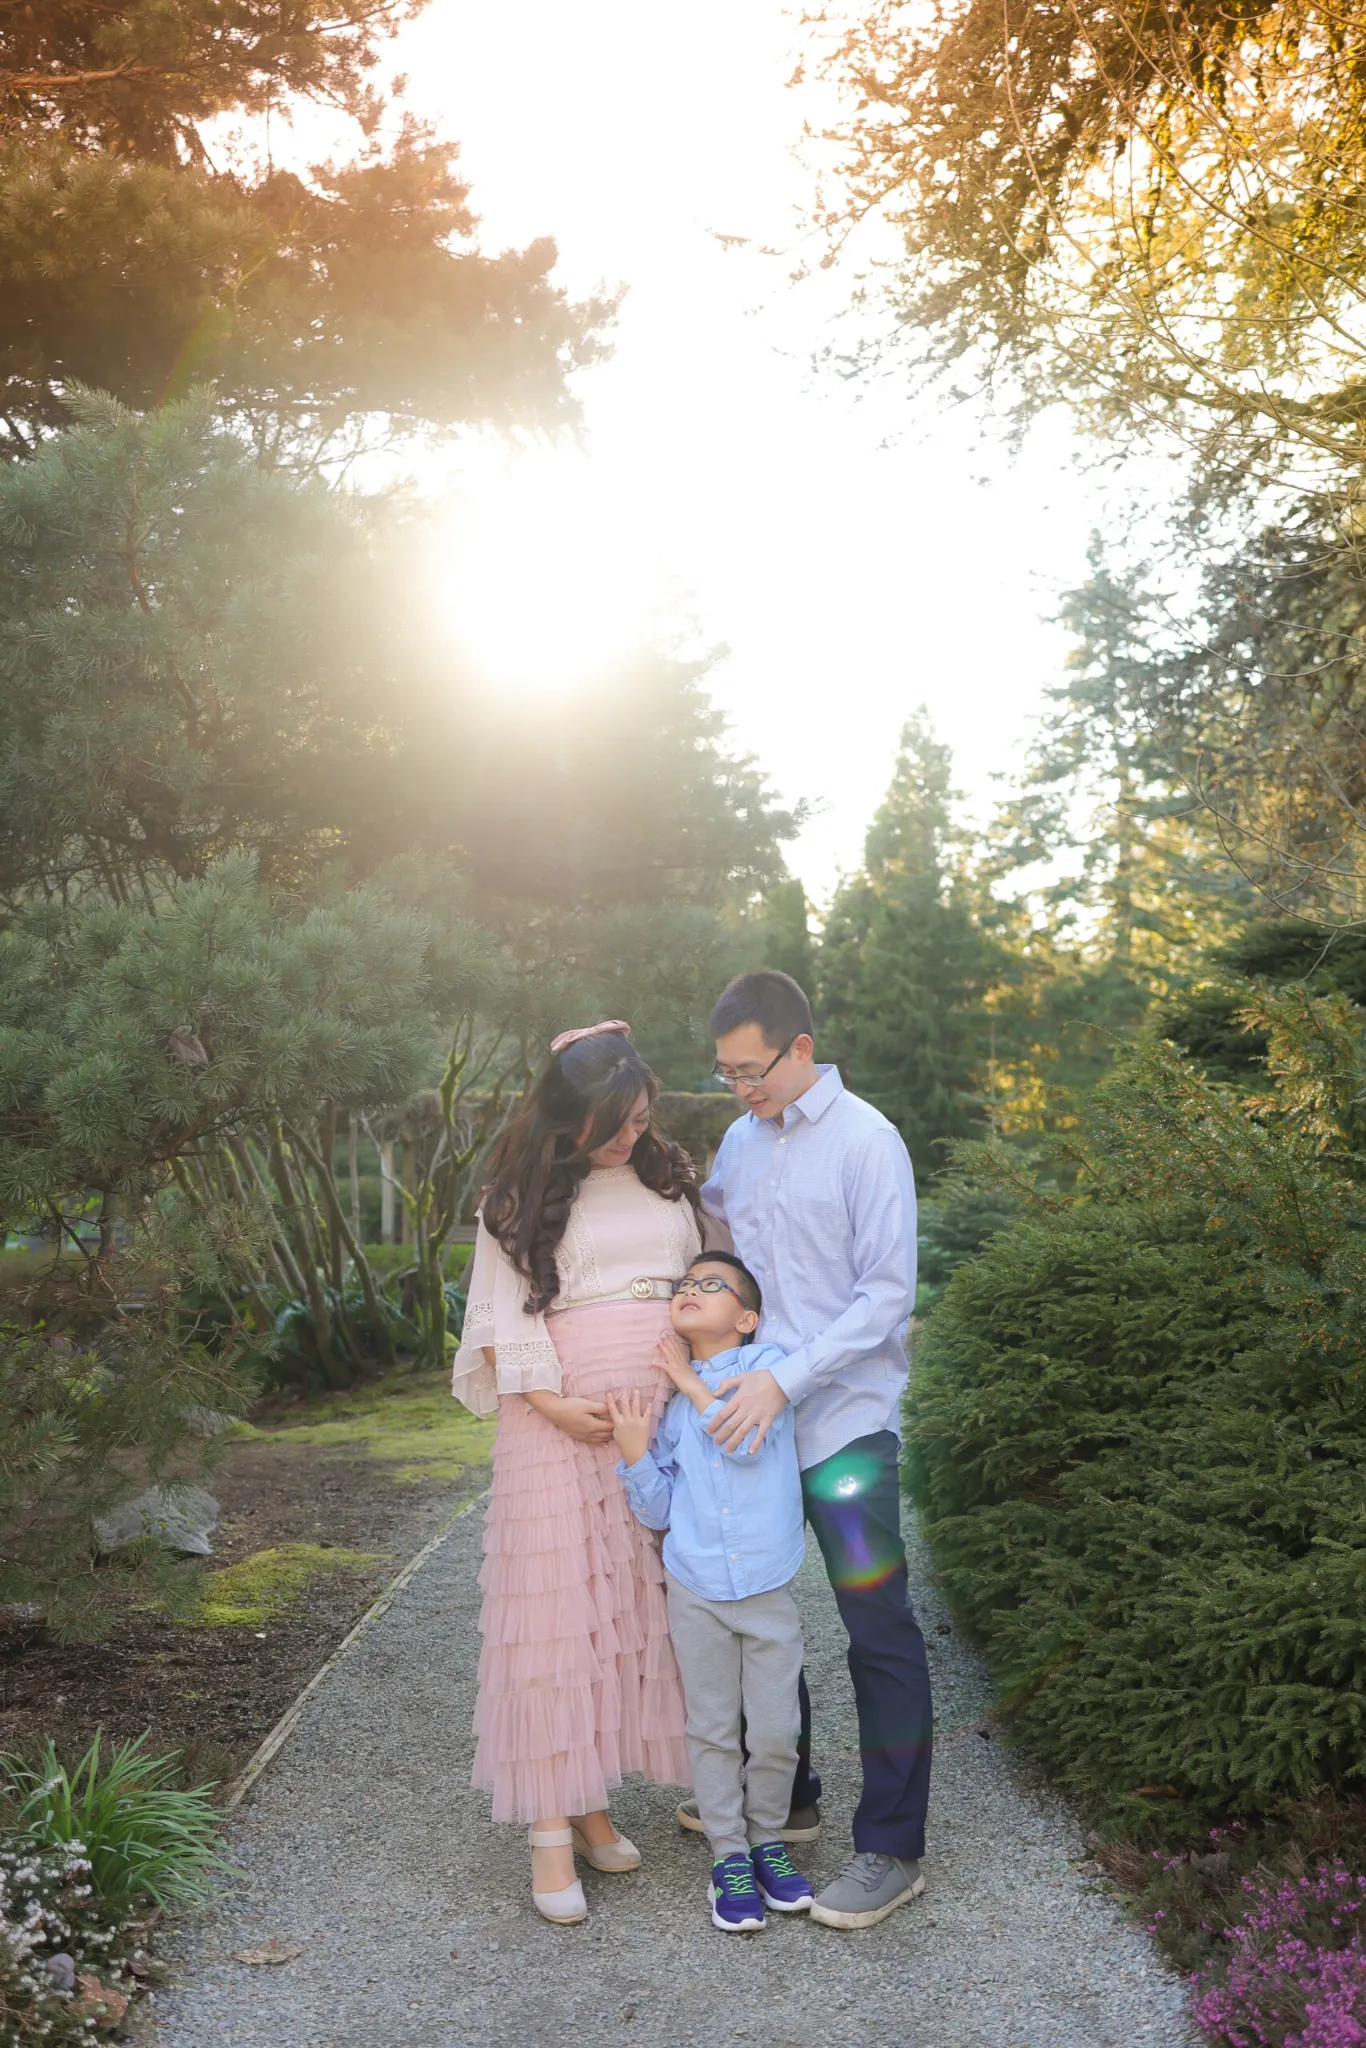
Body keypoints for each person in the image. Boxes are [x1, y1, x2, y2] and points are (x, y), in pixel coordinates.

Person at [694, 969, 931, 1932]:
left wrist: (784, 1379)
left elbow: (887, 1295)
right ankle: (788, 1801)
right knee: (753, 1606)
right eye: (725, 1073)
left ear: (800, 1048)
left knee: (877, 1629)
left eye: (750, 1070)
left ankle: (893, 1846)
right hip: (755, 1426)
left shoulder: (868, 1141)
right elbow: (717, 1250)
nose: (739, 1088)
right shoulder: (737, 1144)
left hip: (843, 1428)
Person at [450, 1020, 700, 1927]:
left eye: (639, 1118)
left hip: (653, 1429)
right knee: (556, 1617)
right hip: (556, 1425)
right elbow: (497, 1315)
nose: (631, 1135)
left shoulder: (668, 1183)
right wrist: (552, 1402)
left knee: (625, 1612)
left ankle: (593, 1806)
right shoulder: (516, 1196)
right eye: (613, 1122)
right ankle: (549, 1831)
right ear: (569, 1117)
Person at [608, 1250, 814, 1934]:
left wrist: (687, 1381)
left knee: (776, 1731)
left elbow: (743, 1443)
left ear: (746, 1317)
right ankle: (730, 1856)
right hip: (693, 1583)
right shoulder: (673, 1409)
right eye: (686, 1283)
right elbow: (663, 1510)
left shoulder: (768, 1370)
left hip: (764, 1583)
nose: (691, 1289)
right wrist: (635, 1454)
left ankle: (768, 1843)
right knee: (714, 1728)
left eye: (711, 1284)